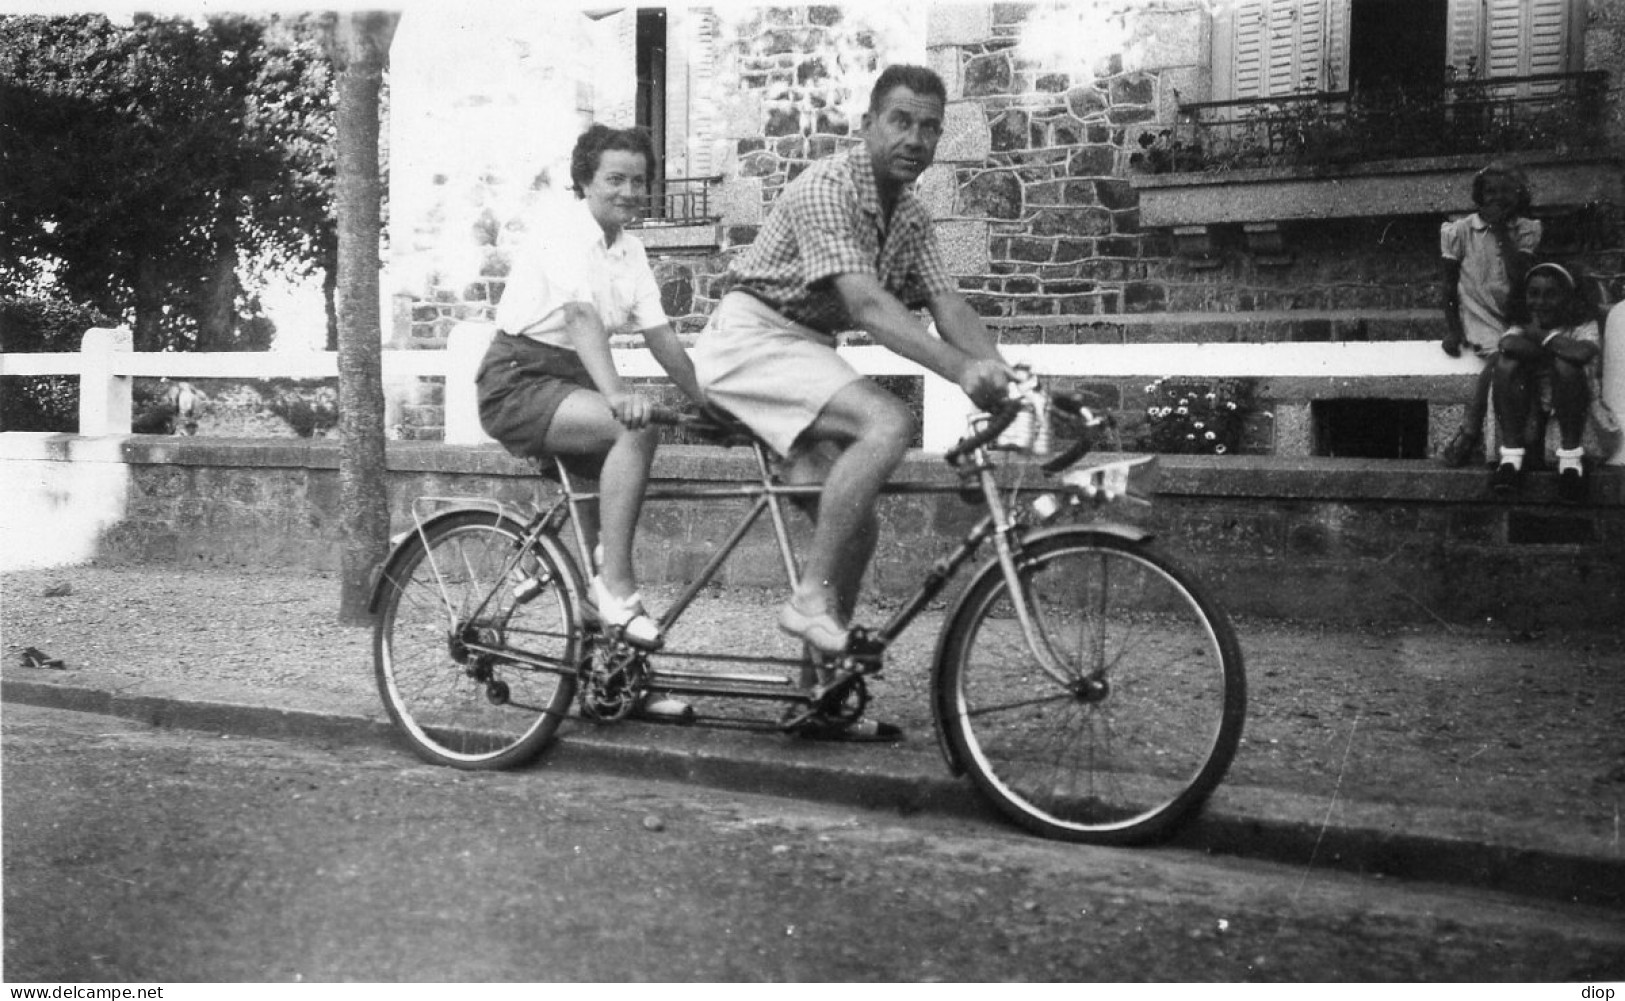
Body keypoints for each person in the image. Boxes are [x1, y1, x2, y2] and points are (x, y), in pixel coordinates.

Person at [691, 64, 1016, 741]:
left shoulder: (913, 215)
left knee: (853, 517)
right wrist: (959, 371)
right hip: (749, 337)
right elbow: (868, 306)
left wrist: (1001, 376)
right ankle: (809, 601)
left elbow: (945, 303)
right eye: (900, 120)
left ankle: (817, 690)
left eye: (929, 126)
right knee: (888, 418)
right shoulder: (826, 187)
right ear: (866, 124)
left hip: (800, 347)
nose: (915, 138)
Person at [475, 124, 705, 719]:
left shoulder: (629, 249)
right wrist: (619, 396)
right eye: (615, 179)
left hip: (572, 386)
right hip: (520, 381)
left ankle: (619, 685)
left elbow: (661, 336)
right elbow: (579, 317)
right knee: (635, 427)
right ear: (585, 181)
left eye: (638, 180)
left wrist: (709, 403)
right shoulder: (562, 229)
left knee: (598, 540)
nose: (629, 191)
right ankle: (620, 589)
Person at [1439, 162, 1542, 467]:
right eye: (1490, 191)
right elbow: (1447, 284)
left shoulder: (1526, 230)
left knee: (1512, 354)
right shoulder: (1460, 230)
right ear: (1479, 195)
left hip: (1514, 314)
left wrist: (1500, 230)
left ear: (1519, 195)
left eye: (1507, 191)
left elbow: (1521, 275)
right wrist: (1452, 329)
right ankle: (1471, 429)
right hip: (1478, 312)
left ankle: (1485, 434)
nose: (1498, 197)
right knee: (1501, 356)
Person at [1488, 262, 1617, 502]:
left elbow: (1582, 353)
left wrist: (1542, 337)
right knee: (1507, 365)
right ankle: (1511, 461)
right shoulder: (1522, 325)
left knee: (1567, 367)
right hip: (1531, 409)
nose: (1540, 302)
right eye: (1533, 294)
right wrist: (1558, 350)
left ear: (1567, 297)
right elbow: (1508, 344)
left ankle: (1570, 464)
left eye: (1550, 295)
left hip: (1572, 411)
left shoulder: (1581, 325)